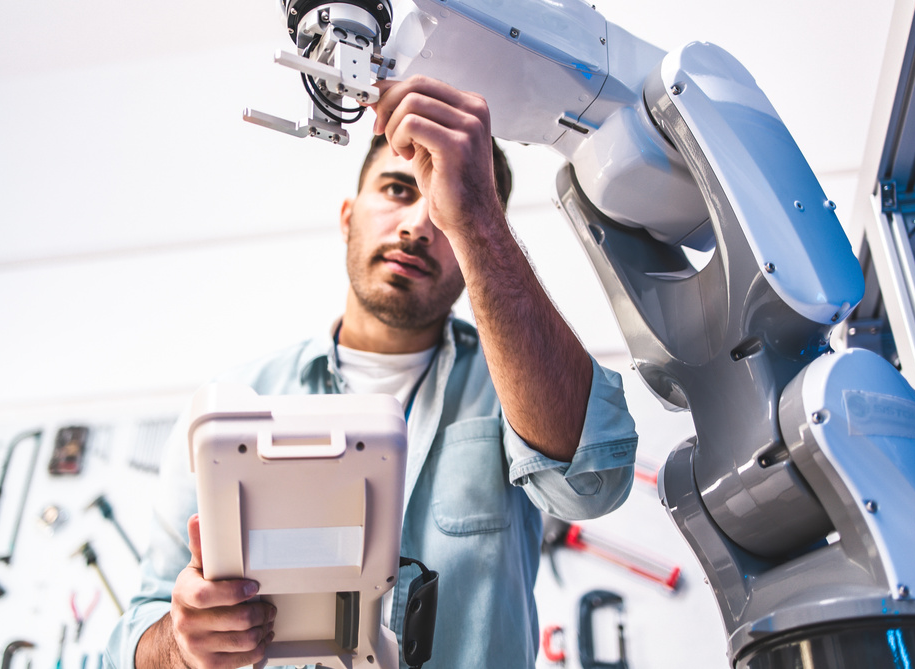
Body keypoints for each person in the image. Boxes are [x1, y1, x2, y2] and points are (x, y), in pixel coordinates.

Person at [106, 75, 638, 669]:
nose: (416, 224)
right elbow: (126, 640)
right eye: (395, 189)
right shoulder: (232, 405)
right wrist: (181, 643)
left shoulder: (512, 391)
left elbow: (594, 484)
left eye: (444, 208)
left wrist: (480, 222)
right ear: (347, 216)